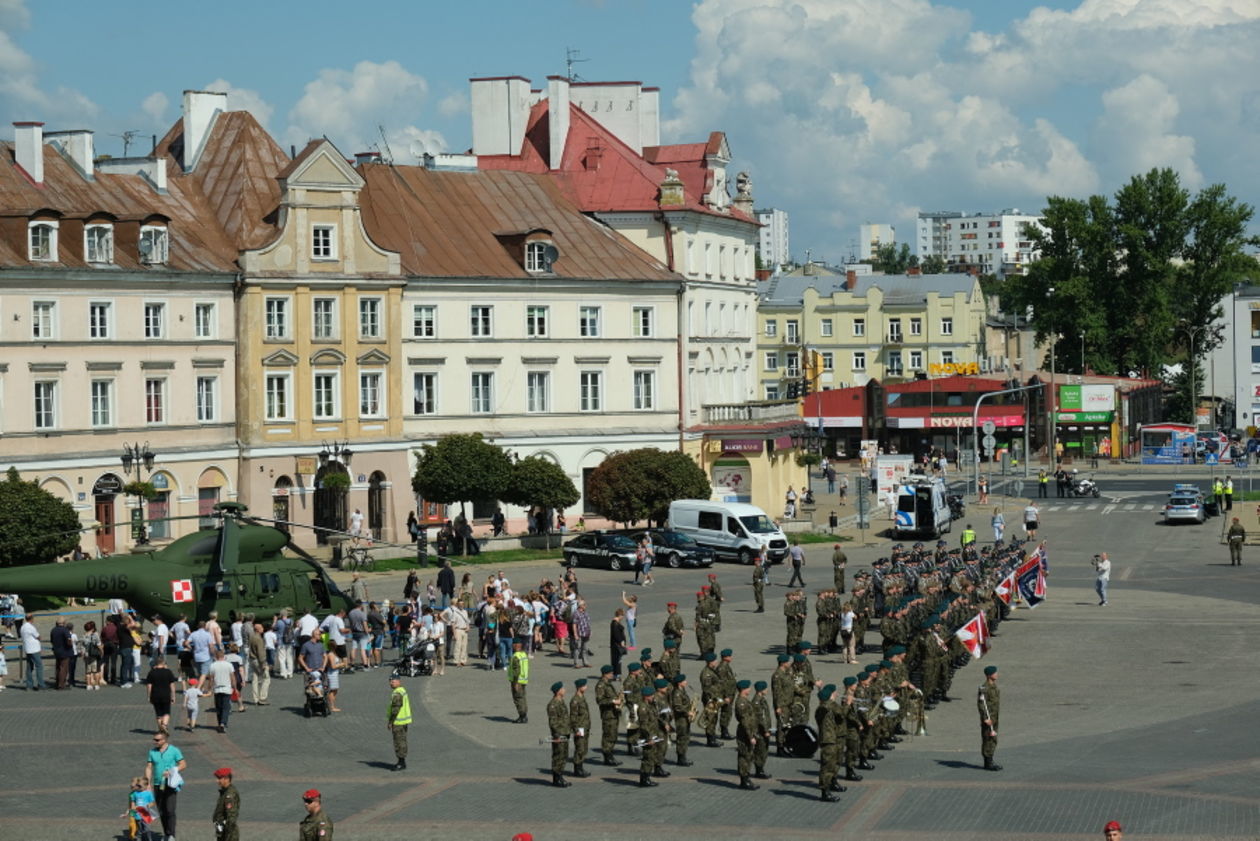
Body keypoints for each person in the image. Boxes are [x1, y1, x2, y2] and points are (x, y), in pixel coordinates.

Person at [145, 729, 186, 841]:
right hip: (158, 784)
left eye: (157, 740)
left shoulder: (174, 750)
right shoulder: (152, 752)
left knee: (170, 809)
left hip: (170, 784)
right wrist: (148, 783)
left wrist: (173, 770)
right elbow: (149, 767)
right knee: (162, 810)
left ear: (164, 740)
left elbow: (183, 764)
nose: (155, 742)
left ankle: (171, 834)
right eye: (154, 739)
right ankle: (167, 833)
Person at [546, 681, 572, 787]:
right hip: (559, 734)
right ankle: (556, 779)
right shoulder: (553, 704)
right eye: (563, 688)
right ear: (558, 691)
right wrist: (557, 736)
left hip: (565, 732)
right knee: (558, 756)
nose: (565, 690)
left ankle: (560, 776)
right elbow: (553, 722)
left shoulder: (561, 701)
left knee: (564, 755)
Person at [977, 664, 1001, 771]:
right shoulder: (984, 688)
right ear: (989, 675)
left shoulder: (994, 686)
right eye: (995, 673)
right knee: (988, 738)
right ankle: (988, 762)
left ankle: (990, 759)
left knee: (993, 739)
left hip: (994, 717)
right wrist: (985, 718)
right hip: (988, 718)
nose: (997, 674)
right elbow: (982, 704)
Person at [208, 648, 238, 733]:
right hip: (227, 688)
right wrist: (235, 688)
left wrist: (209, 689)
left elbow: (211, 679)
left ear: (216, 657)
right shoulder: (229, 665)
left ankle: (220, 723)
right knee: (226, 707)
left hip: (217, 689)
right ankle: (223, 723)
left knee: (219, 707)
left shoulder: (212, 665)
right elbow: (232, 677)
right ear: (223, 656)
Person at [146, 657, 179, 732]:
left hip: (155, 695)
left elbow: (149, 686)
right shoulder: (168, 672)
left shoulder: (151, 672)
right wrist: (173, 696)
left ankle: (161, 729)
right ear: (163, 663)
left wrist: (149, 696)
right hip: (166, 695)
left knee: (158, 714)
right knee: (166, 712)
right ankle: (164, 725)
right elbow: (172, 685)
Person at [386, 675, 411, 771]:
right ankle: (401, 761)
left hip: (398, 722)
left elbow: (395, 709)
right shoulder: (402, 690)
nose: (391, 683)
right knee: (402, 740)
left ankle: (401, 762)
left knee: (399, 742)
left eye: (393, 681)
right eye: (390, 681)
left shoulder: (397, 693)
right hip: (403, 721)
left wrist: (390, 721)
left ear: (399, 681)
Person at [122, 775, 156, 841]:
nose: (138, 787)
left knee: (147, 829)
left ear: (146, 786)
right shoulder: (135, 793)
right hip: (137, 815)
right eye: (137, 785)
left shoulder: (148, 793)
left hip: (146, 815)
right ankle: (139, 838)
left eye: (140, 786)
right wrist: (130, 811)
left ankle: (149, 839)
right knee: (140, 830)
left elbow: (153, 802)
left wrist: (148, 805)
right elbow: (133, 803)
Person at [212, 767, 239, 841]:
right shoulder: (224, 792)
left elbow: (231, 816)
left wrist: (227, 832)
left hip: (228, 834)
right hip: (222, 831)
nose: (217, 781)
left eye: (219, 778)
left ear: (226, 779)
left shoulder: (229, 795)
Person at [508, 639, 529, 723]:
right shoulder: (523, 654)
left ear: (516, 645)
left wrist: (516, 682)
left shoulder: (516, 656)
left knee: (518, 698)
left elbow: (516, 670)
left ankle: (522, 716)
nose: (512, 646)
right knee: (523, 697)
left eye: (513, 644)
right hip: (523, 680)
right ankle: (524, 715)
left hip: (517, 681)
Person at [20, 613, 43, 691]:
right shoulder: (31, 627)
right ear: (31, 619)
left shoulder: (23, 627)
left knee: (29, 667)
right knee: (39, 666)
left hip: (27, 648)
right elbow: (38, 636)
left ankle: (29, 685)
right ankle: (40, 684)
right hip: (34, 649)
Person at [50, 616, 72, 690]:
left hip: (56, 651)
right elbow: (69, 639)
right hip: (65, 651)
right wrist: (70, 645)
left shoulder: (53, 630)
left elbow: (52, 641)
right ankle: (61, 684)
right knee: (64, 668)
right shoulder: (65, 630)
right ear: (64, 623)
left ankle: (57, 683)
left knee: (58, 667)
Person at [609, 609, 627, 677]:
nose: (622, 617)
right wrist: (621, 641)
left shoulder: (616, 622)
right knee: (617, 660)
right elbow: (616, 635)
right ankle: (616, 674)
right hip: (616, 645)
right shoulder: (615, 623)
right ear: (619, 615)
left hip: (616, 645)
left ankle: (617, 673)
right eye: (622, 616)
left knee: (618, 659)